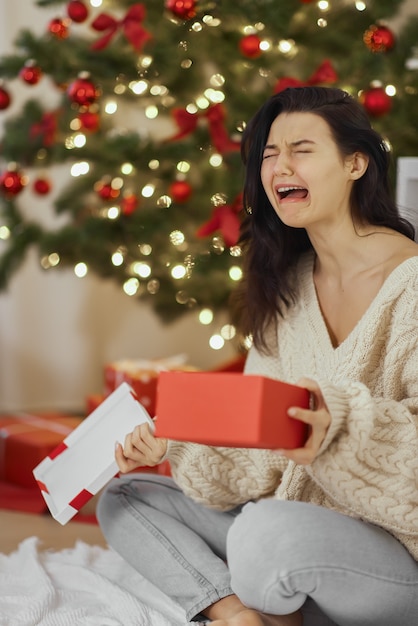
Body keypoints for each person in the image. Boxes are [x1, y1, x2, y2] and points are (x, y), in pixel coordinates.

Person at [97, 86, 418, 626]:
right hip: (293, 526)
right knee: (126, 498)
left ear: (356, 163)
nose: (279, 166)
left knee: (264, 535)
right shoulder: (285, 288)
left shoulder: (411, 284)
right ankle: (236, 612)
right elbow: (256, 458)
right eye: (269, 154)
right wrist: (176, 443)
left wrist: (336, 430)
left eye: (302, 149)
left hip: (392, 555)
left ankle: (272, 591)